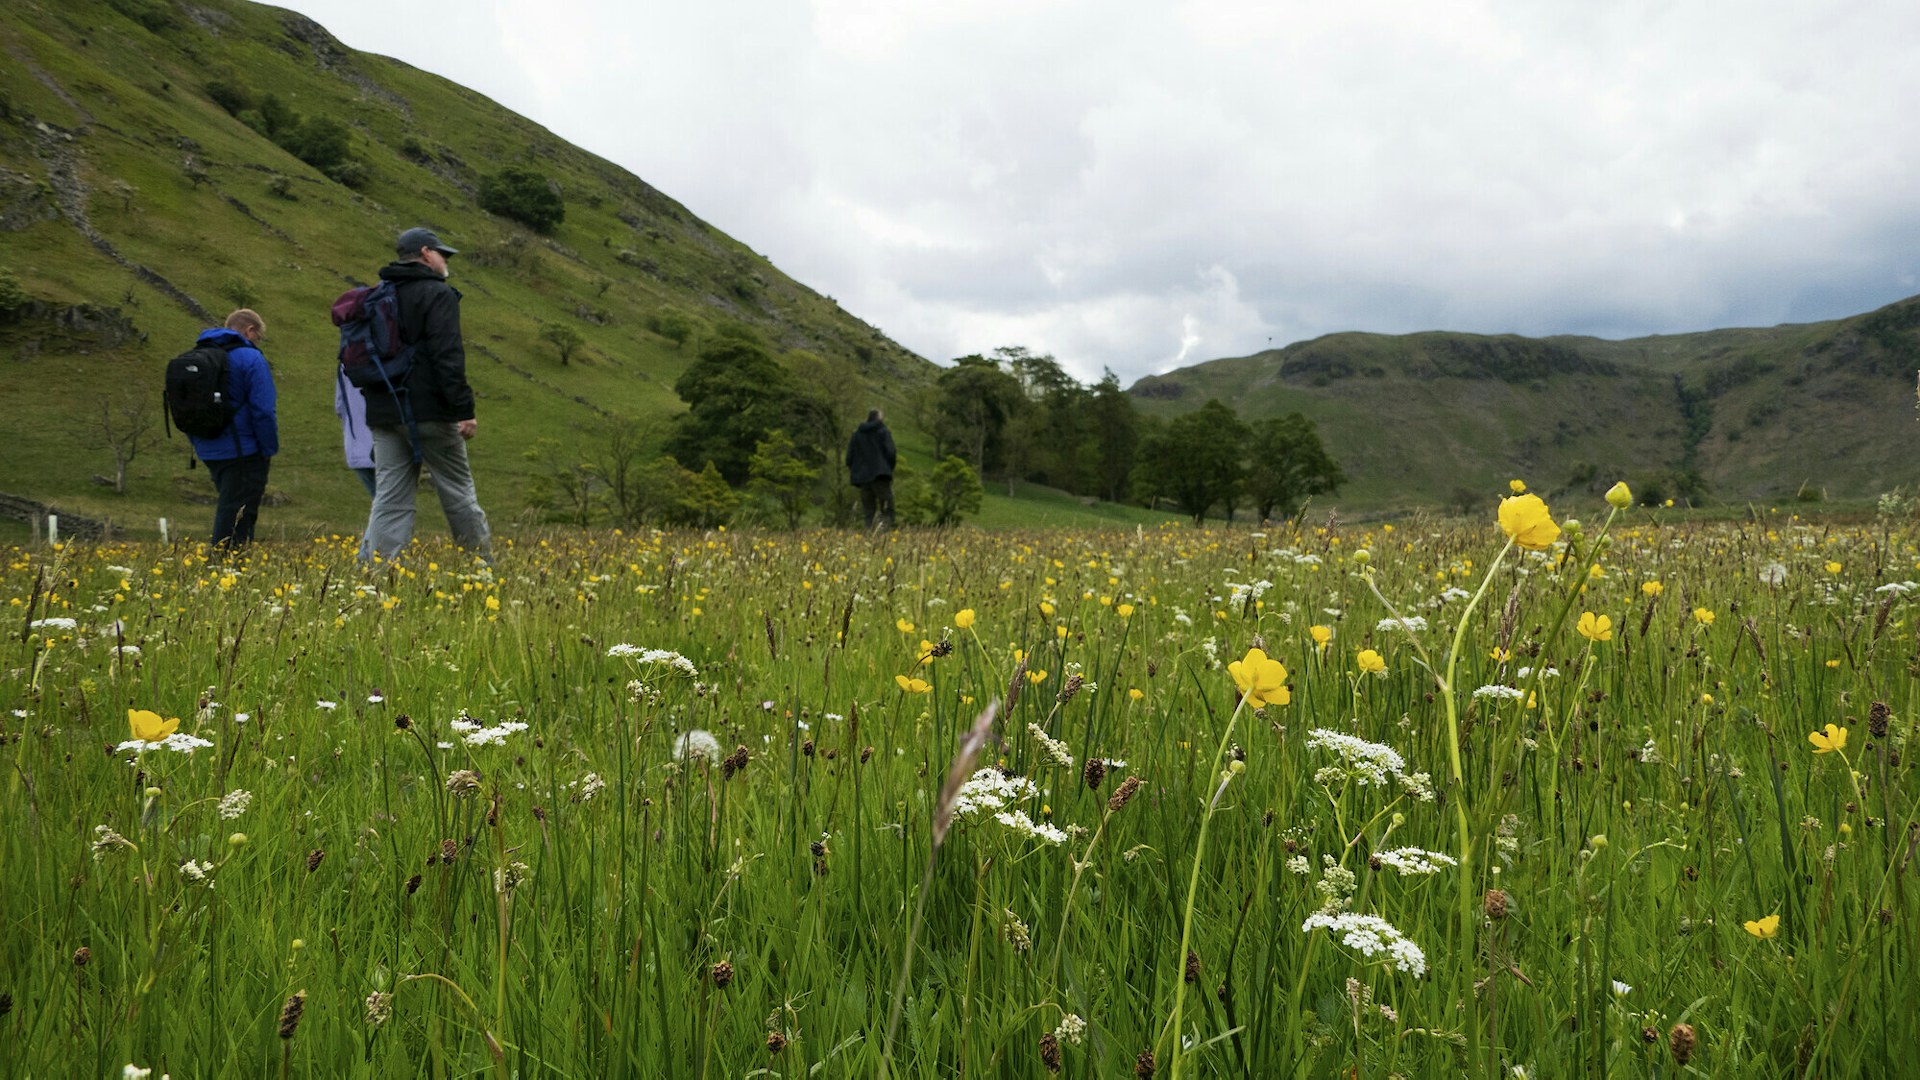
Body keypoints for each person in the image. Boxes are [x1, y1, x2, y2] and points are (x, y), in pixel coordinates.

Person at [358, 226, 491, 562]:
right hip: (430, 411)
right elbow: (448, 355)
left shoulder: (378, 294)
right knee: (458, 490)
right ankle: (479, 568)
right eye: (442, 253)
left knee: (390, 496)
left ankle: (378, 573)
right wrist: (464, 409)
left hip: (384, 411)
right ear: (426, 253)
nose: (446, 260)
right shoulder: (437, 294)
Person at [189, 308, 277, 551]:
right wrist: (268, 448)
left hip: (208, 447)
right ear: (250, 331)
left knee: (230, 506)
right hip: (245, 450)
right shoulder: (250, 358)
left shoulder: (199, 355)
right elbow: (263, 411)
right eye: (258, 336)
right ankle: (223, 566)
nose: (258, 341)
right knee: (238, 514)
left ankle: (230, 563)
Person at [846, 408, 897, 530]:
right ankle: (883, 534)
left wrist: (856, 470)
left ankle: (869, 536)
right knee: (887, 507)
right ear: (879, 418)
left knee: (869, 512)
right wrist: (888, 469)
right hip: (880, 475)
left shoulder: (856, 435)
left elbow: (849, 458)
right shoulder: (883, 432)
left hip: (863, 478)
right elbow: (891, 453)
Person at [334, 377, 376, 496]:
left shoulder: (346, 362)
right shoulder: (394, 359)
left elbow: (339, 406)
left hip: (357, 447)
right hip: (388, 445)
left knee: (380, 502)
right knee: (393, 503)